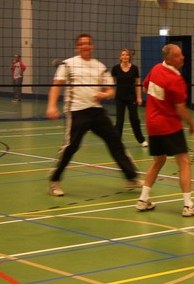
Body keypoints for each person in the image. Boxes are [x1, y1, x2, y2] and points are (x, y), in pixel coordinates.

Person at [45, 33, 140, 196]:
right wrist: (51, 105)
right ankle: (55, 180)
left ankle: (131, 177)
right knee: (71, 146)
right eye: (82, 44)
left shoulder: (99, 66)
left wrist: (104, 94)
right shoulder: (67, 64)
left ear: (92, 46)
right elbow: (57, 85)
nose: (85, 46)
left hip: (96, 111)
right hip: (77, 111)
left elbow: (110, 90)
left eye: (88, 43)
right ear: (77, 47)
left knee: (115, 140)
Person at [137, 43, 194, 216]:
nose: (182, 57)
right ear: (169, 60)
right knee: (184, 162)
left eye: (181, 54)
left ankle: (143, 200)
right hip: (169, 125)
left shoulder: (156, 69)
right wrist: (191, 123)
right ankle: (188, 205)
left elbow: (145, 87)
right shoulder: (176, 79)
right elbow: (181, 109)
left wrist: (159, 100)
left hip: (152, 124)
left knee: (158, 161)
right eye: (178, 56)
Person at [111, 48, 146, 147]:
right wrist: (109, 92)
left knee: (134, 119)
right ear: (120, 57)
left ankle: (141, 140)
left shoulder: (134, 68)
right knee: (119, 120)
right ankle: (117, 141)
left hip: (131, 98)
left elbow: (138, 84)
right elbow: (111, 83)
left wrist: (139, 97)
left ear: (129, 57)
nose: (125, 56)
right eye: (123, 55)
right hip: (119, 98)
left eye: (126, 55)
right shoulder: (115, 68)